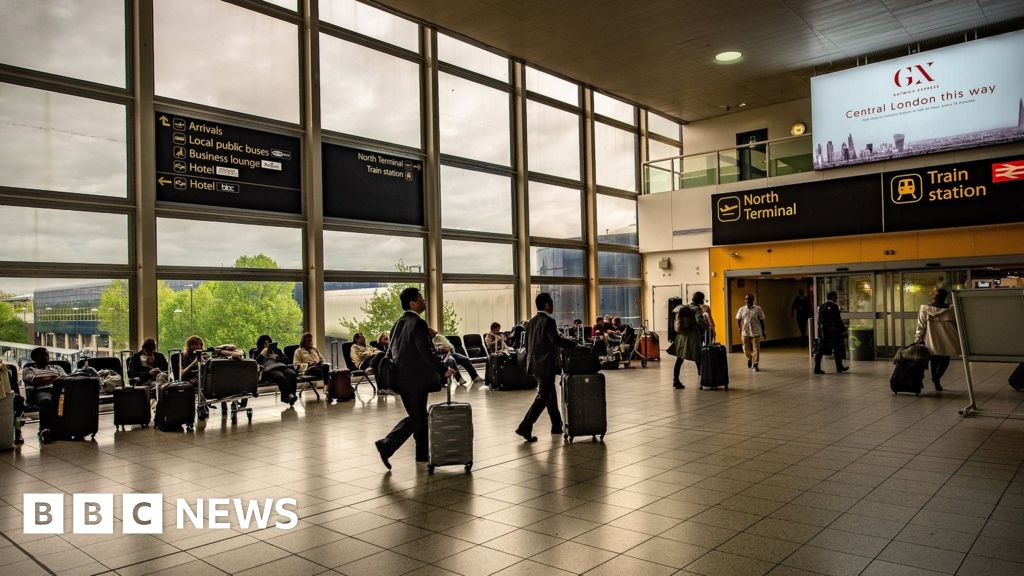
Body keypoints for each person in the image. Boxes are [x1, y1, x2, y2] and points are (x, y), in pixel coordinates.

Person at [374, 287, 453, 470]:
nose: (424, 301)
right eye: (421, 299)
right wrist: (443, 370)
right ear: (412, 303)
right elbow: (425, 351)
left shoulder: (398, 323)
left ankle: (421, 454)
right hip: (415, 379)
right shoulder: (418, 323)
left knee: (419, 416)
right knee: (418, 417)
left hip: (401, 378)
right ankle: (386, 445)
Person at [514, 292, 577, 443]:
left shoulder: (531, 322)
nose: (553, 306)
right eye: (552, 303)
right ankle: (525, 426)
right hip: (545, 364)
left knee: (550, 393)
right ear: (547, 305)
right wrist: (572, 343)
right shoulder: (548, 321)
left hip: (534, 364)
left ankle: (556, 424)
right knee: (543, 396)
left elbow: (528, 344)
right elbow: (555, 340)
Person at [914, 288, 959, 391]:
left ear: (933, 297)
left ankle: (936, 378)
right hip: (947, 339)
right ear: (944, 297)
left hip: (931, 339)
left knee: (934, 360)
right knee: (945, 360)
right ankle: (936, 378)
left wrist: (918, 338)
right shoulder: (951, 310)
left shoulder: (925, 309)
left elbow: (921, 325)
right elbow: (957, 325)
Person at [671, 292, 709, 389]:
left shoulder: (686, 307)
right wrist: (706, 325)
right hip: (692, 337)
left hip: (681, 336)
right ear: (700, 300)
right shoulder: (696, 309)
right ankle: (703, 380)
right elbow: (699, 320)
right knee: (698, 358)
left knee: (679, 359)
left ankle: (675, 380)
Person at [22, 347, 66, 419]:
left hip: (60, 390)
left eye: (47, 355)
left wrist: (46, 379)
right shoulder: (29, 369)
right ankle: (45, 427)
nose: (46, 358)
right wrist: (55, 376)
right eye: (43, 356)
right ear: (35, 358)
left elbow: (65, 378)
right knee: (45, 401)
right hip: (42, 391)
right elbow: (35, 380)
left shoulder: (57, 367)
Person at [255, 335, 298, 405]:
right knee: (280, 376)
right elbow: (255, 362)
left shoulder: (277, 350)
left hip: (281, 367)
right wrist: (262, 354)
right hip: (268, 369)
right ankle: (285, 397)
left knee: (292, 374)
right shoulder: (257, 352)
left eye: (268, 343)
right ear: (261, 344)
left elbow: (287, 360)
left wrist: (276, 358)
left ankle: (292, 396)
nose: (267, 345)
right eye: (265, 343)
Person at [814, 291, 849, 374]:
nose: (836, 298)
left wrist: (820, 330)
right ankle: (839, 367)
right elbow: (837, 320)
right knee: (837, 349)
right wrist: (843, 329)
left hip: (825, 332)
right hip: (834, 332)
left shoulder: (822, 306)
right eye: (836, 297)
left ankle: (817, 368)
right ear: (833, 297)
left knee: (821, 350)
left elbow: (819, 320)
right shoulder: (835, 307)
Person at [736, 293, 767, 371]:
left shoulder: (758, 309)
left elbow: (762, 320)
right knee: (745, 348)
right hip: (745, 331)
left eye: (749, 299)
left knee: (756, 348)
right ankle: (749, 358)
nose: (747, 300)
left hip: (756, 331)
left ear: (753, 300)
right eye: (746, 299)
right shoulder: (742, 309)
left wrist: (763, 331)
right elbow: (738, 319)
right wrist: (739, 327)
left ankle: (755, 364)